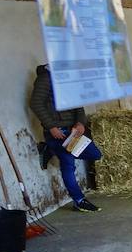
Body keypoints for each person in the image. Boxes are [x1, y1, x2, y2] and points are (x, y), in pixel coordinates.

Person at [30, 64, 102, 212]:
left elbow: (78, 105)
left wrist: (80, 123)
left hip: (73, 131)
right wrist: (51, 126)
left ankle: (49, 148)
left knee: (95, 154)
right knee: (68, 165)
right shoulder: (45, 78)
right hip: (59, 132)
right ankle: (79, 200)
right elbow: (36, 103)